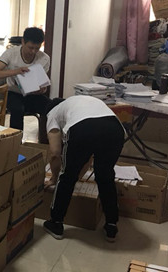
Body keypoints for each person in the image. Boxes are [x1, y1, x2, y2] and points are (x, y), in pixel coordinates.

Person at [42, 95, 125, 242]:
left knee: (67, 176)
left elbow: (55, 153)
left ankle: (56, 223)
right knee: (105, 176)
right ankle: (111, 225)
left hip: (83, 129)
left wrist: (54, 178)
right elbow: (87, 156)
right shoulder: (79, 102)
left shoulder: (52, 113)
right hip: (115, 129)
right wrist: (79, 175)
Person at [0, 27, 50, 141]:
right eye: (30, 47)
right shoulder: (11, 53)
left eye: (37, 48)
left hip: (34, 95)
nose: (33, 52)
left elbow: (42, 83)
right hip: (14, 93)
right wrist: (15, 71)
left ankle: (45, 143)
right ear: (23, 42)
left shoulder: (44, 58)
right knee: (17, 110)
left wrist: (42, 89)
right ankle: (15, 143)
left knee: (51, 107)